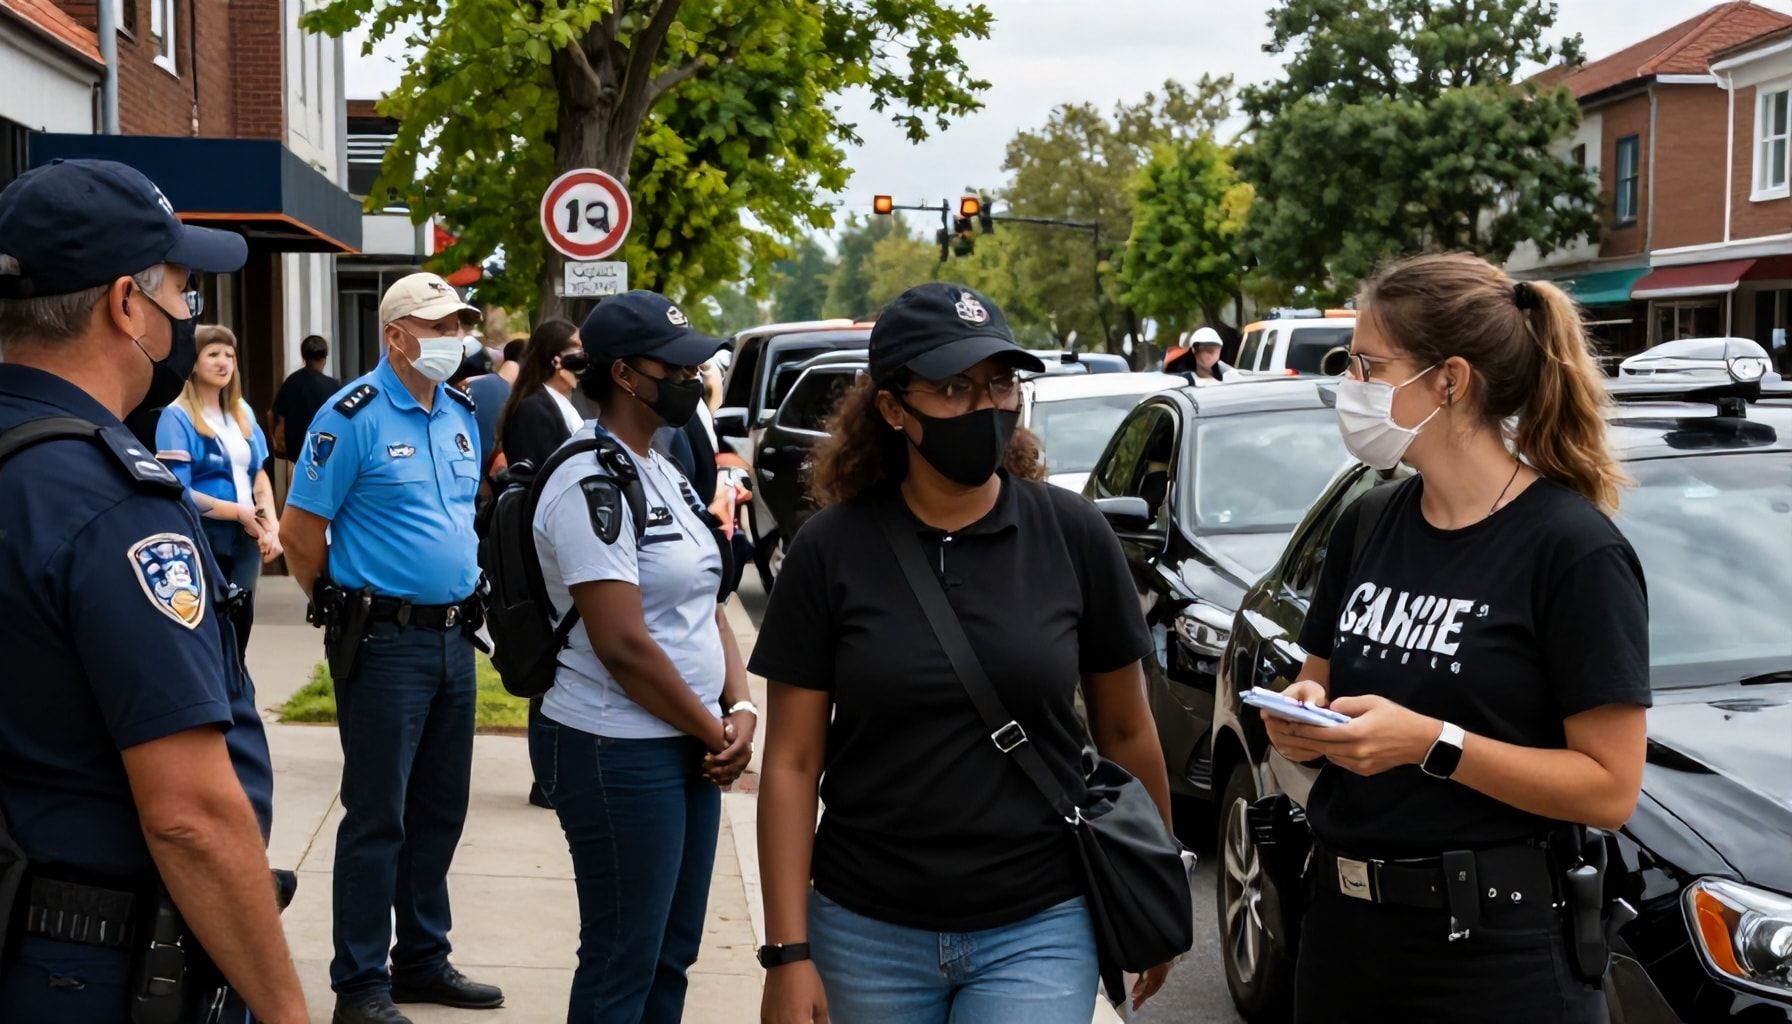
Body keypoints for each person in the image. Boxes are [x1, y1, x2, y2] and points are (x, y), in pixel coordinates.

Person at [753, 282, 1177, 1024]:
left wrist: (1155, 892)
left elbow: (1127, 730)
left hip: (1039, 926)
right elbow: (790, 764)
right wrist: (788, 955)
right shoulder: (830, 551)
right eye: (954, 388)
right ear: (893, 408)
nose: (986, 407)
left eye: (1001, 384)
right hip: (864, 929)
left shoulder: (1073, 535)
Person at [1263, 252, 1648, 1024]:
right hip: (1344, 936)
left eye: (1368, 364)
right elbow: (1321, 681)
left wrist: (1434, 743)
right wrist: (1304, 715)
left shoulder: (1572, 549)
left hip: (1493, 958)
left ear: (1450, 381)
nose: (1350, 384)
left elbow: (1609, 789)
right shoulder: (1369, 519)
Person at [0, 158, 305, 1023]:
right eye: (182, 289)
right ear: (125, 305)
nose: (188, 312)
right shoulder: (109, 502)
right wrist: (283, 1008)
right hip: (82, 959)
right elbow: (190, 816)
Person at [279, 272, 503, 1024]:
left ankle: (422, 961)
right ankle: (361, 984)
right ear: (396, 335)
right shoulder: (353, 417)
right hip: (383, 643)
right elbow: (299, 533)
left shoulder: (461, 413)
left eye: (460, 326)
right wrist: (339, 609)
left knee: (440, 811)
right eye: (440, 327)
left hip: (451, 639)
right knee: (378, 817)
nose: (455, 340)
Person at [529, 290, 755, 1023]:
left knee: (669, 954)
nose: (696, 377)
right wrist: (709, 727)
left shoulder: (659, 466)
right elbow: (622, 642)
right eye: (679, 365)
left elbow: (707, 602)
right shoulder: (588, 479)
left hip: (685, 740)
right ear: (625, 375)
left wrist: (740, 704)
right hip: (616, 747)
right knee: (622, 958)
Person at [156, 325, 281, 656]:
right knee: (210, 629)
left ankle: (236, 700)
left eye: (229, 355)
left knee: (240, 628)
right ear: (194, 363)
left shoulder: (243, 414)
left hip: (247, 539)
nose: (223, 362)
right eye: (213, 354)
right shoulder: (176, 417)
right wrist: (239, 512)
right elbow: (179, 490)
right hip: (205, 535)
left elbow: (259, 476)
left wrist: (271, 526)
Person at [496, 317, 584, 472]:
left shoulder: (559, 401)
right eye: (576, 348)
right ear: (554, 357)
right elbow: (542, 471)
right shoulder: (533, 408)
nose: (582, 355)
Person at [272, 333, 341, 461]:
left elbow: (277, 418)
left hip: (297, 456)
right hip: (325, 454)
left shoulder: (290, 382)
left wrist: (278, 445)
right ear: (324, 359)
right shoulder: (333, 387)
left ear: (303, 357)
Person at [1163, 326, 1227, 380]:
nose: (1210, 355)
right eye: (1206, 349)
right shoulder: (1181, 373)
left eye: (1215, 350)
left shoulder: (1223, 371)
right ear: (1194, 351)